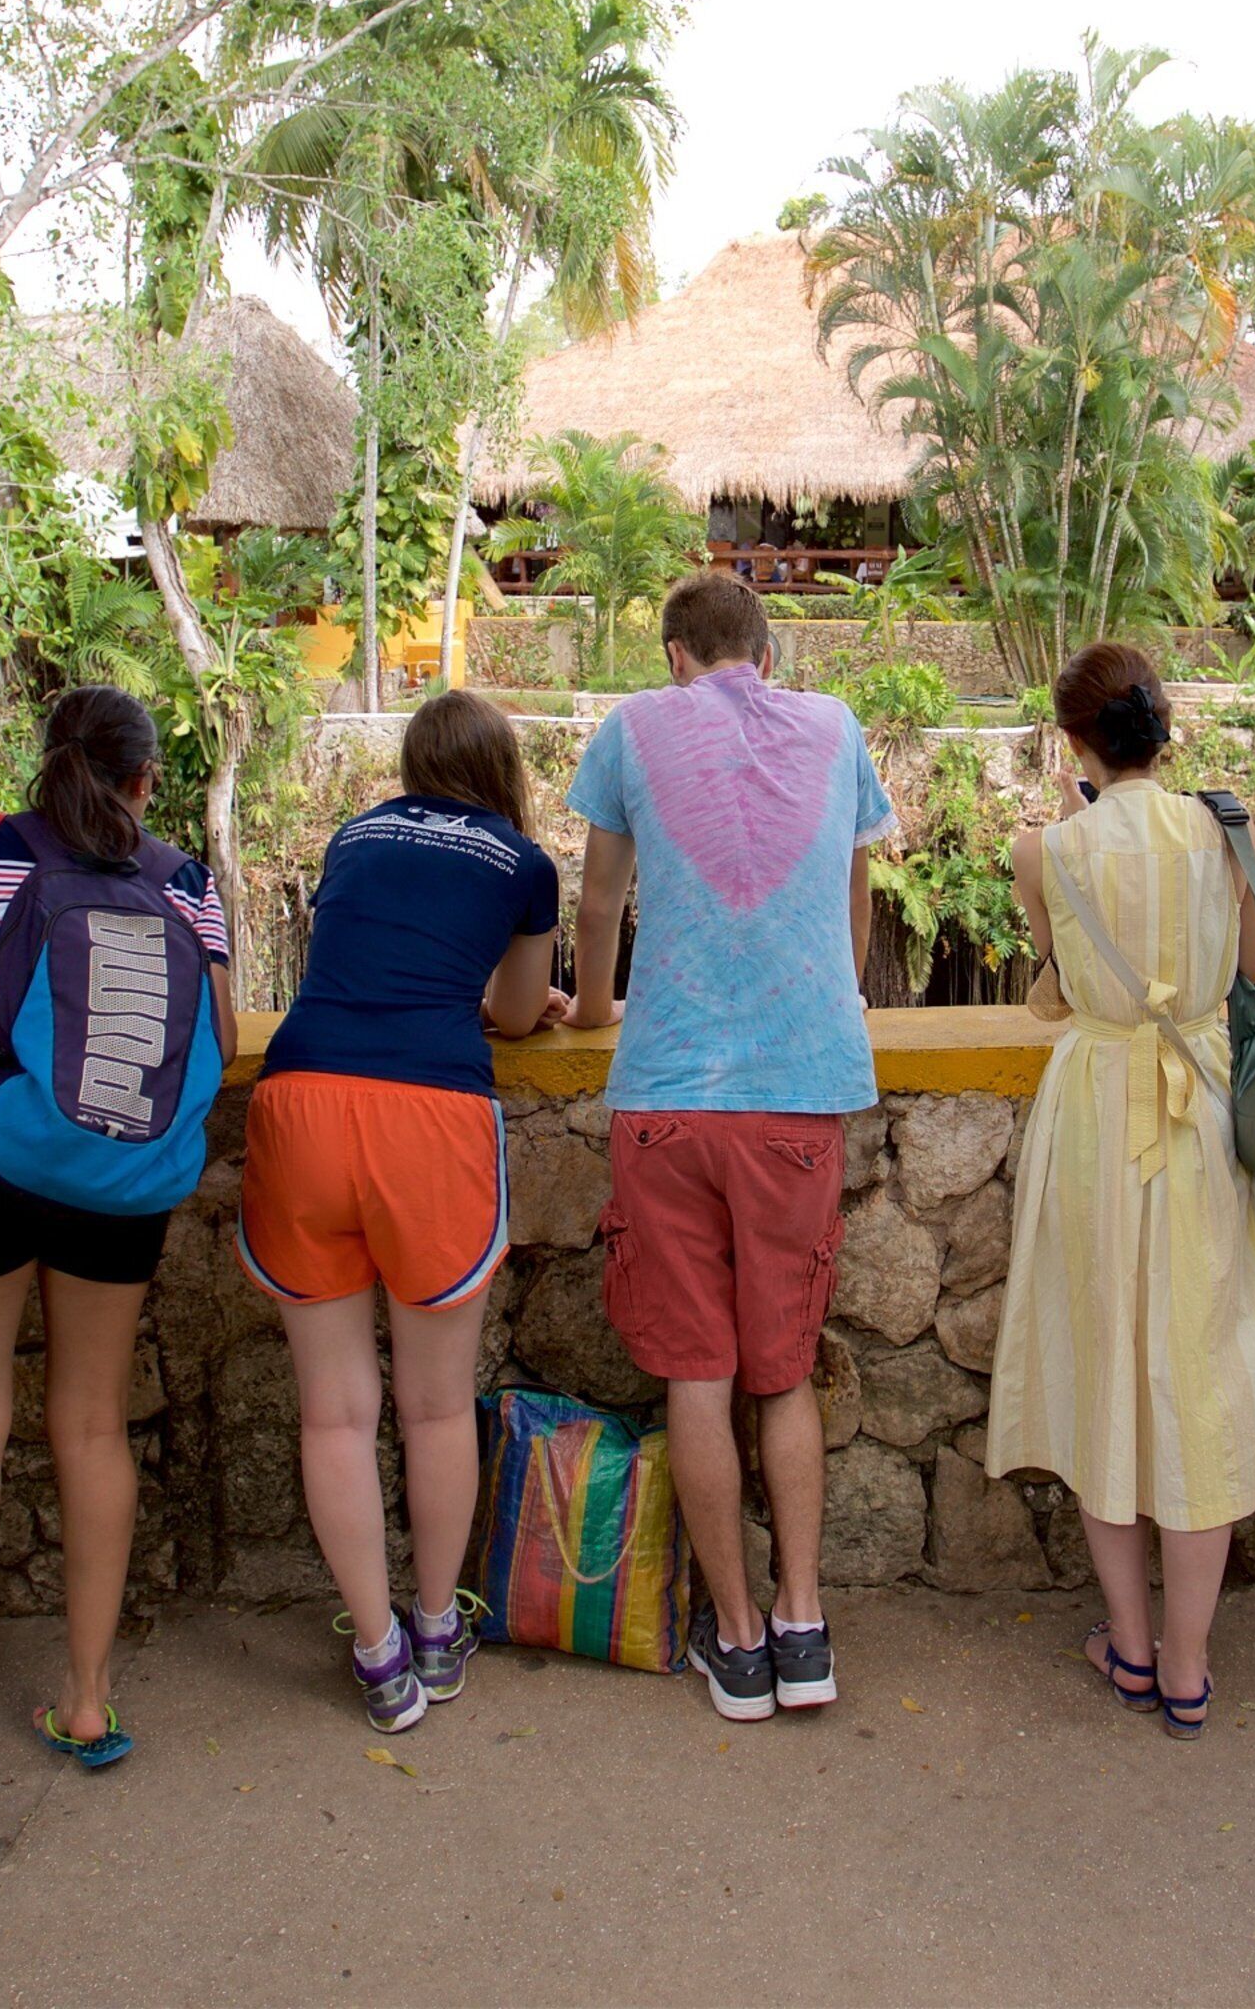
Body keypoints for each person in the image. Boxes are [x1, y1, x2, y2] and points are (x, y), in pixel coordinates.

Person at [0, 685, 234, 1841]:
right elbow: (222, 1037)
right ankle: (86, 1700)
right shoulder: (185, 881)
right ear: (145, 779)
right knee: (90, 1426)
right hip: (120, 1171)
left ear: (46, 763)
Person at [566, 572, 896, 1722]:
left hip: (667, 1095)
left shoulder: (631, 728)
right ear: (769, 652)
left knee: (696, 1382)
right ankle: (804, 1627)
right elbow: (856, 902)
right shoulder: (835, 726)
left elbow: (597, 907)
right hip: (798, 1095)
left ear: (674, 656)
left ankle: (740, 1642)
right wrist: (835, 1004)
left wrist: (592, 1011)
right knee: (784, 1375)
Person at [238, 691, 573, 1729]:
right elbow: (515, 1011)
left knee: (334, 1411)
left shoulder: (352, 835)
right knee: (433, 1407)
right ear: (502, 769)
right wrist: (518, 1004)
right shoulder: (524, 864)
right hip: (428, 1117)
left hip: (300, 1102)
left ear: (414, 763)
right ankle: (435, 1627)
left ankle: (380, 1658)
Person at [982, 642, 1255, 1739]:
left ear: (1076, 742)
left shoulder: (1044, 850)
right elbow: (1254, 971)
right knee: (1200, 1371)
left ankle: (1131, 1647)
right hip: (1198, 1111)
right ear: (1164, 726)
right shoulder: (1224, 831)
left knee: (1103, 1360)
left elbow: (1060, 977)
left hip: (1097, 1113)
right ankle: (1190, 1667)